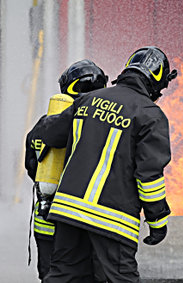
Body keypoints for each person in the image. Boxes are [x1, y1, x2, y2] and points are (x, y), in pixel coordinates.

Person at [38, 46, 178, 282]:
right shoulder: (150, 115)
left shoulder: (87, 99)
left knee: (65, 277)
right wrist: (157, 221)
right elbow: (149, 178)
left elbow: (49, 135)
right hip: (112, 220)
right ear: (155, 80)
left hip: (67, 214)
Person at [25, 59, 108, 281]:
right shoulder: (90, 125)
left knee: (51, 276)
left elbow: (31, 167)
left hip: (44, 222)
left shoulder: (43, 123)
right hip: (73, 224)